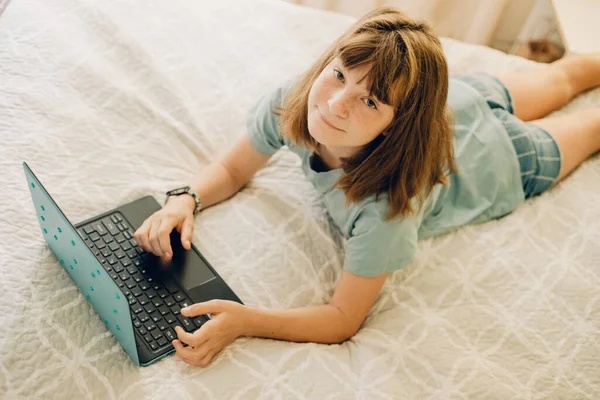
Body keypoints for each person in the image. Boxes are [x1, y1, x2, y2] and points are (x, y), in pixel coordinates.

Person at [133, 6, 600, 367]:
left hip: (505, 159)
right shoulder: (294, 102)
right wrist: (184, 200)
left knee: (586, 110)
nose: (335, 105)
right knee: (563, 74)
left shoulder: (385, 208)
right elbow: (234, 171)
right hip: (465, 96)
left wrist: (246, 322)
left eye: (369, 100)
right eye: (338, 74)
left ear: (398, 125)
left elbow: (342, 318)